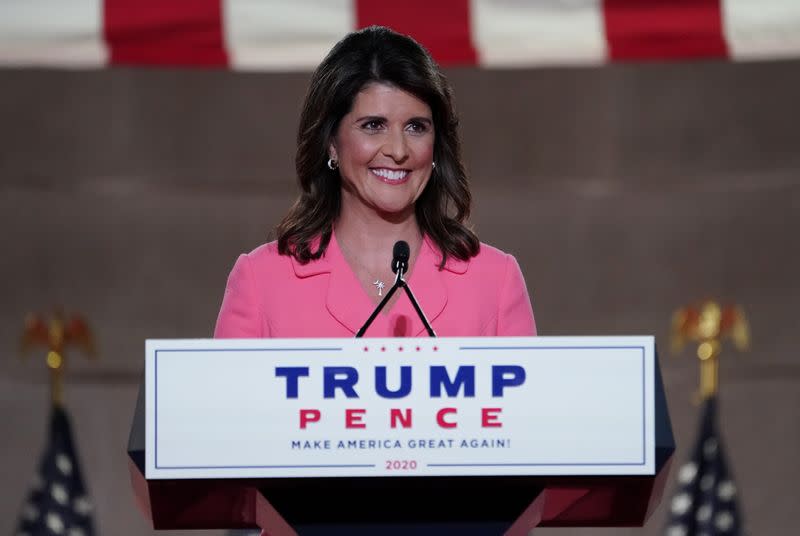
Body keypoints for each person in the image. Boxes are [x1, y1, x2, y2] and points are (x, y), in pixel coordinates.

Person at [214, 26, 535, 339]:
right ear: (331, 143)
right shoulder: (261, 282)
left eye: (416, 127)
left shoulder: (496, 281)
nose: (397, 151)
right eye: (373, 125)